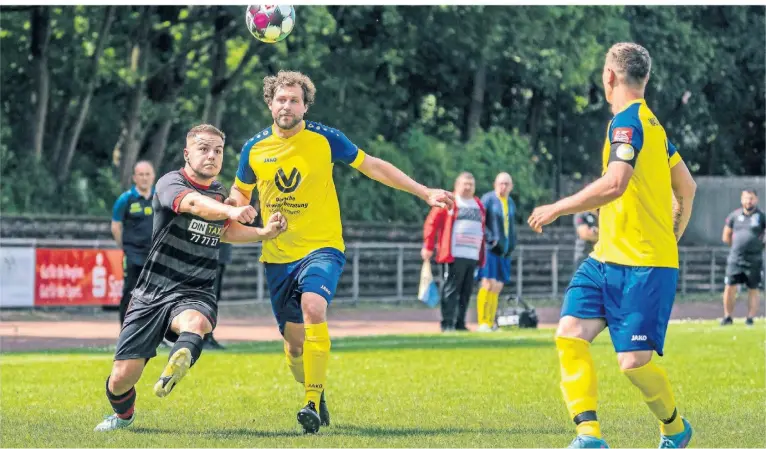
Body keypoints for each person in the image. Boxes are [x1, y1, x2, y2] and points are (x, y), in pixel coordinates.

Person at [228, 70, 454, 434]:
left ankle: (312, 403)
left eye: (294, 100)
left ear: (305, 106)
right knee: (295, 346)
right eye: (281, 99)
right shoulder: (253, 149)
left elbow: (373, 166)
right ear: (270, 103)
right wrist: (236, 209)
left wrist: (424, 191)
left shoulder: (326, 138)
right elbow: (240, 195)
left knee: (314, 307)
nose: (287, 105)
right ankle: (315, 389)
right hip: (278, 256)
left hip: (323, 247)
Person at [528, 43, 697, 448]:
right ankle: (589, 436)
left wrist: (558, 207)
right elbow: (687, 188)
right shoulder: (652, 125)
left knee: (633, 364)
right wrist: (673, 233)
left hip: (644, 266)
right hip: (604, 260)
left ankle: (675, 428)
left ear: (609, 76)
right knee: (569, 334)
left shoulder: (629, 124)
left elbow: (615, 183)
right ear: (646, 78)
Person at [94, 124, 287, 432]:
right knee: (120, 380)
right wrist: (231, 211)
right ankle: (124, 416)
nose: (212, 155)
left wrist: (263, 233)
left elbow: (226, 230)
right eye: (204, 149)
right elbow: (196, 205)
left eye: (218, 151)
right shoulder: (171, 183)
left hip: (195, 290)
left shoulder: (220, 193)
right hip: (152, 292)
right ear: (187, 153)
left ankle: (179, 359)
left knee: (195, 323)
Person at [422, 172, 486, 332]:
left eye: (471, 184)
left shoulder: (477, 204)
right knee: (451, 289)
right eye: (465, 184)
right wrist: (428, 246)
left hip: (472, 255)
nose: (468, 187)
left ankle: (460, 323)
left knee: (466, 291)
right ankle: (447, 323)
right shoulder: (450, 201)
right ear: (457, 185)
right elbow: (432, 223)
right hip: (453, 254)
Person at [111, 160, 156, 325]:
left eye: (147, 174)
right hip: (133, 254)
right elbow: (116, 226)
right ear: (134, 178)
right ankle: (125, 333)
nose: (144, 178)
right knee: (130, 292)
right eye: (141, 175)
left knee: (156, 295)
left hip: (155, 254)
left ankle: (154, 334)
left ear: (153, 177)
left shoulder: (160, 197)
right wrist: (124, 247)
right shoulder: (126, 199)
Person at [476, 173, 516, 332]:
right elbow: (480, 221)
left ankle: (491, 322)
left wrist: (512, 243)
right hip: (490, 249)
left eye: (506, 184)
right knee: (487, 283)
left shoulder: (510, 202)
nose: (503, 187)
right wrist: (490, 239)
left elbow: (510, 226)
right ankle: (482, 322)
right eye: (501, 183)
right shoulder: (488, 199)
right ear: (495, 184)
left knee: (498, 285)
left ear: (511, 186)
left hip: (505, 250)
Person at [721, 189, 765, 326]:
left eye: (751, 198)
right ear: (742, 200)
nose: (749, 201)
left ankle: (750, 318)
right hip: (736, 259)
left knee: (753, 288)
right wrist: (737, 248)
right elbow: (726, 236)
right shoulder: (734, 216)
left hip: (754, 259)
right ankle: (727, 317)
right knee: (729, 286)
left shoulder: (761, 216)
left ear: (756, 200)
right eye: (746, 198)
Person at [204, 243, 232, 350]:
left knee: (214, 298)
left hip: (220, 256)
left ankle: (208, 335)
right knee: (209, 298)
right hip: (210, 257)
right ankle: (204, 336)